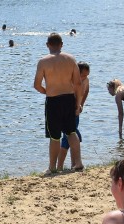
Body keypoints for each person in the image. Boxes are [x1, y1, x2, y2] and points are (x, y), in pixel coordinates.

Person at [33, 32, 84, 174]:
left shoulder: (43, 61)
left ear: (47, 45)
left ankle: (52, 167)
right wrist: (78, 103)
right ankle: (78, 162)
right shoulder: (71, 59)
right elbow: (78, 84)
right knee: (71, 132)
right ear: (61, 44)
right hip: (69, 98)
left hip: (53, 100)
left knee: (54, 136)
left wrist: (47, 91)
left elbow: (36, 85)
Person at [57, 61, 90, 171]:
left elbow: (86, 91)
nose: (85, 77)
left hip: (76, 109)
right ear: (77, 73)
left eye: (87, 75)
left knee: (67, 138)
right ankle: (70, 164)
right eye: (83, 75)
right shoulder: (72, 80)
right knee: (71, 135)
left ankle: (67, 165)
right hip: (69, 109)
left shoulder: (85, 80)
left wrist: (81, 104)